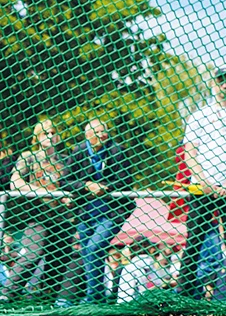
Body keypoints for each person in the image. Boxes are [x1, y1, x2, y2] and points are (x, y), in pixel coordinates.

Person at [176, 68, 226, 301]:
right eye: (220, 81)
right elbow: (189, 152)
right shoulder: (198, 116)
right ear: (213, 84)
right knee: (194, 241)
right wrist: (203, 180)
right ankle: (186, 294)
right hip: (202, 188)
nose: (224, 85)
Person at [60, 118, 135, 303]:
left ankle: (93, 297)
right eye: (97, 133)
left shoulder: (117, 151)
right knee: (87, 251)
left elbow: (125, 181)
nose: (102, 135)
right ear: (88, 135)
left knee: (95, 247)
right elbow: (65, 181)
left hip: (111, 211)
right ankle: (96, 294)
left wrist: (104, 187)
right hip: (85, 211)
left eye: (104, 131)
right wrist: (86, 186)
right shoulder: (79, 151)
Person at [1, 118, 73, 302]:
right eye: (45, 133)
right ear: (37, 137)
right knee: (34, 252)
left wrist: (67, 196)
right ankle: (8, 292)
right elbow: (15, 182)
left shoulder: (65, 160)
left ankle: (49, 298)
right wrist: (44, 192)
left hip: (62, 218)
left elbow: (70, 185)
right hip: (38, 215)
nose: (50, 136)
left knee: (59, 259)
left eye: (53, 132)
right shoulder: (29, 157)